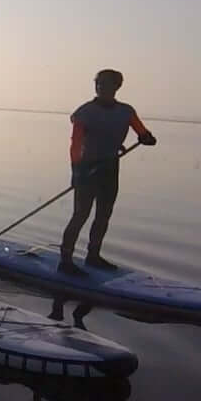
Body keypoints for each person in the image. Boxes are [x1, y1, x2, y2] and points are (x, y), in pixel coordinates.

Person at [58, 68, 157, 276]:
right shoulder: (84, 112)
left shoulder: (126, 111)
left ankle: (93, 257)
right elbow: (75, 145)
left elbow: (144, 133)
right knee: (81, 214)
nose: (100, 87)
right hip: (87, 169)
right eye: (98, 83)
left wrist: (147, 138)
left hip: (110, 168)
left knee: (104, 214)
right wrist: (76, 172)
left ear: (117, 86)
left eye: (105, 83)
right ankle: (65, 260)